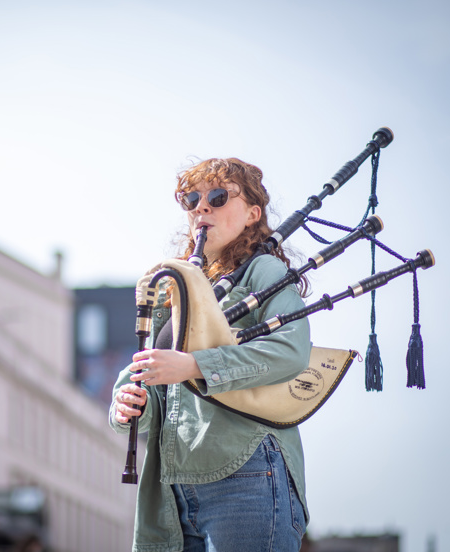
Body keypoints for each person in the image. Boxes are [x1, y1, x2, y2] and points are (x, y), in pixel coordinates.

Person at [110, 158, 311, 552]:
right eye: (192, 199)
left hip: (247, 474)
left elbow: (291, 349)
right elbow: (161, 385)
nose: (202, 207)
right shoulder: (178, 285)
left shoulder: (262, 271)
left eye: (218, 197)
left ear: (254, 214)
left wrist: (195, 365)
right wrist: (129, 404)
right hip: (171, 488)